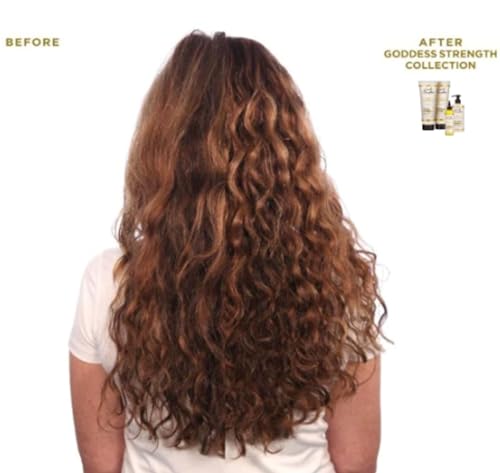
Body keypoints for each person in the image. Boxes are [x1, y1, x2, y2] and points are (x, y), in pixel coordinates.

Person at [69, 29, 390, 473]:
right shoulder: (337, 285)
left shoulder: (109, 283)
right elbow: (356, 462)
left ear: (163, 146)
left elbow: (100, 466)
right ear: (287, 151)